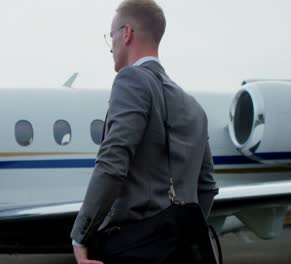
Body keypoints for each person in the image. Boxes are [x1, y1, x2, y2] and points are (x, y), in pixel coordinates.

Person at [70, 0, 218, 263]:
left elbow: (113, 163)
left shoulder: (131, 80)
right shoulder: (194, 107)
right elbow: (206, 186)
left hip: (137, 250)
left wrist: (80, 235)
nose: (110, 46)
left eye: (111, 35)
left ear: (126, 34)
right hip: (186, 252)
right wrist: (181, 235)